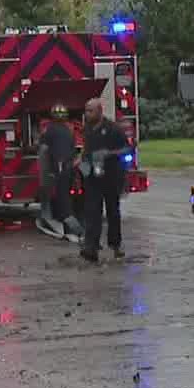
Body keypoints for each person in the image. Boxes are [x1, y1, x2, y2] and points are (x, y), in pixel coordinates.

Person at [77, 97, 130, 263]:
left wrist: (109, 153)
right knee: (92, 212)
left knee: (113, 212)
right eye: (86, 111)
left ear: (100, 111)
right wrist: (81, 160)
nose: (87, 114)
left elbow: (127, 148)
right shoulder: (87, 129)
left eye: (90, 111)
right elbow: (86, 148)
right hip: (92, 177)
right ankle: (90, 248)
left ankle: (115, 245)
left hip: (111, 176)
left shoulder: (113, 129)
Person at [36, 104, 76, 241]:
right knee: (66, 198)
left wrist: (45, 177)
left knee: (63, 200)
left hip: (60, 167)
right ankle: (72, 227)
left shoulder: (50, 130)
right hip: (70, 167)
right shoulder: (68, 130)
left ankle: (72, 230)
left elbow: (43, 151)